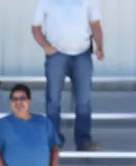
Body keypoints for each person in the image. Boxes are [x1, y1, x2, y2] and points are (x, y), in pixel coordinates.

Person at [31, 0, 103, 152]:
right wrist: (45, 46)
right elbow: (35, 28)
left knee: (84, 100)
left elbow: (95, 24)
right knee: (53, 100)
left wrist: (100, 47)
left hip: (82, 55)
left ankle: (84, 141)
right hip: (56, 56)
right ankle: (54, 141)